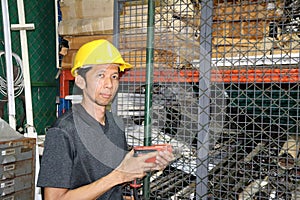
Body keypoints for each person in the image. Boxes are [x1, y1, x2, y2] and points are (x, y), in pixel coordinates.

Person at [37, 39, 174, 200]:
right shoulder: (63, 132)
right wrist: (119, 175)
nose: (109, 84)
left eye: (114, 76)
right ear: (81, 81)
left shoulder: (116, 124)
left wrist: (149, 164)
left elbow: (116, 180)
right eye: (100, 75)